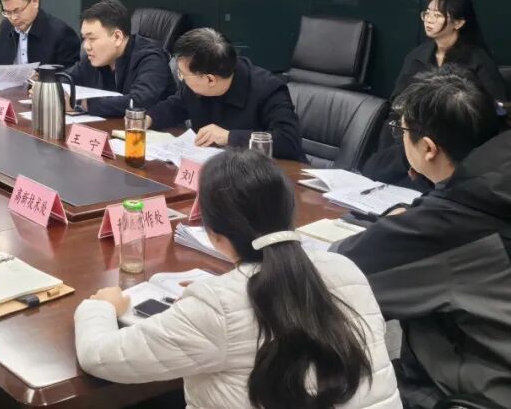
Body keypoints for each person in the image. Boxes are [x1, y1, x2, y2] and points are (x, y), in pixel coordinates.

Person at [75, 150, 401, 409]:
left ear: (212, 234)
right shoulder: (344, 268)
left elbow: (99, 357)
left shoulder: (217, 305)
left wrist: (101, 307)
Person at [337, 68, 511, 408]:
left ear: (429, 148)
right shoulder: (492, 189)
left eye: (401, 130)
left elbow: (338, 273)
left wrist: (401, 224)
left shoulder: (446, 224)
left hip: (471, 391)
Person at [363, 0, 505, 185]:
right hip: (413, 131)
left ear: (458, 23)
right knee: (376, 166)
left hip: (453, 141)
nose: (429, 19)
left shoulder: (479, 61)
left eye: (437, 15)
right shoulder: (418, 55)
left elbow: (493, 113)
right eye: (427, 13)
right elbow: (397, 99)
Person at [147, 28, 303, 159]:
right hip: (213, 167)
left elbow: (288, 141)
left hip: (264, 175)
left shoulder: (268, 89)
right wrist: (148, 118)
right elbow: (176, 106)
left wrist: (228, 136)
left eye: (182, 74)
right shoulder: (197, 83)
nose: (181, 78)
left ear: (210, 80)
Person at [62, 0, 175, 118]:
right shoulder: (93, 59)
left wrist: (81, 103)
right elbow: (65, 78)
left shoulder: (151, 59)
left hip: (157, 128)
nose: (86, 46)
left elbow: (139, 101)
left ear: (117, 37)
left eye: (92, 38)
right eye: (84, 38)